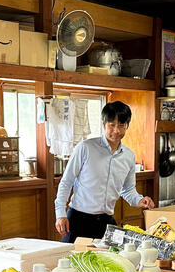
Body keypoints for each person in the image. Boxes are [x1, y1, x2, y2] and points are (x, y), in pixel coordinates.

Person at [55, 101, 156, 243]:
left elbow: (127, 190)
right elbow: (66, 182)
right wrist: (60, 214)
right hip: (78, 219)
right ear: (104, 124)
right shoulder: (85, 148)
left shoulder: (129, 156)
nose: (116, 130)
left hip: (106, 222)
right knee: (71, 263)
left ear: (127, 125)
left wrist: (140, 200)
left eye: (121, 125)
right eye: (112, 125)